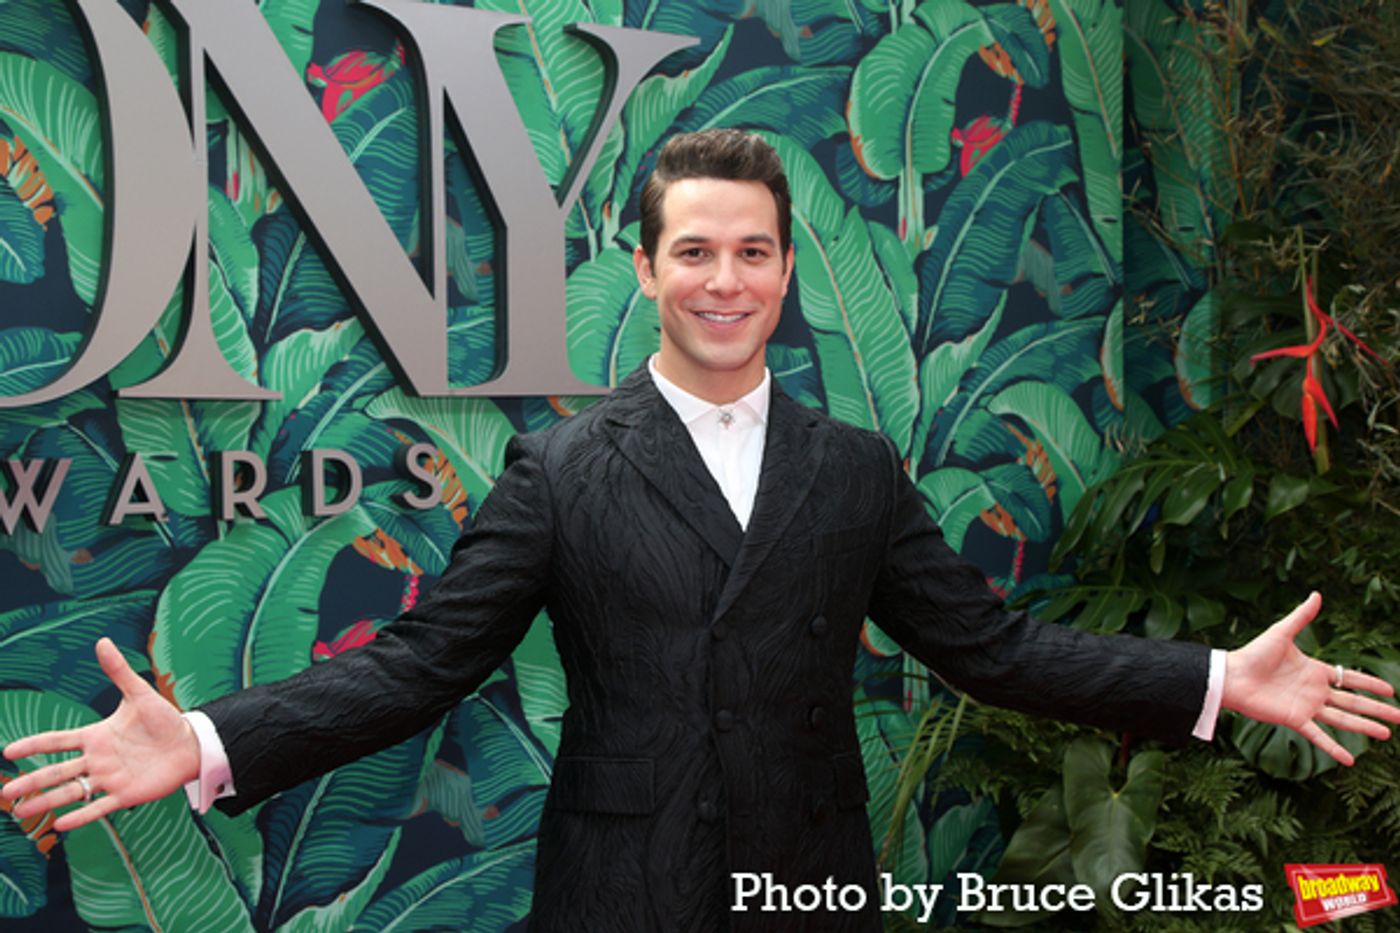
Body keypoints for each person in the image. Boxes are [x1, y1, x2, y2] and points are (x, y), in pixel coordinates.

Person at [4, 130, 1398, 932]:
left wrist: (1215, 679)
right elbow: (418, 665)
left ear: (790, 267)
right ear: (645, 269)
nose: (724, 279)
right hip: (622, 889)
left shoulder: (855, 468)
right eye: (694, 251)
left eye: (751, 251)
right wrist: (202, 739)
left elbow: (993, 646)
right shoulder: (561, 469)